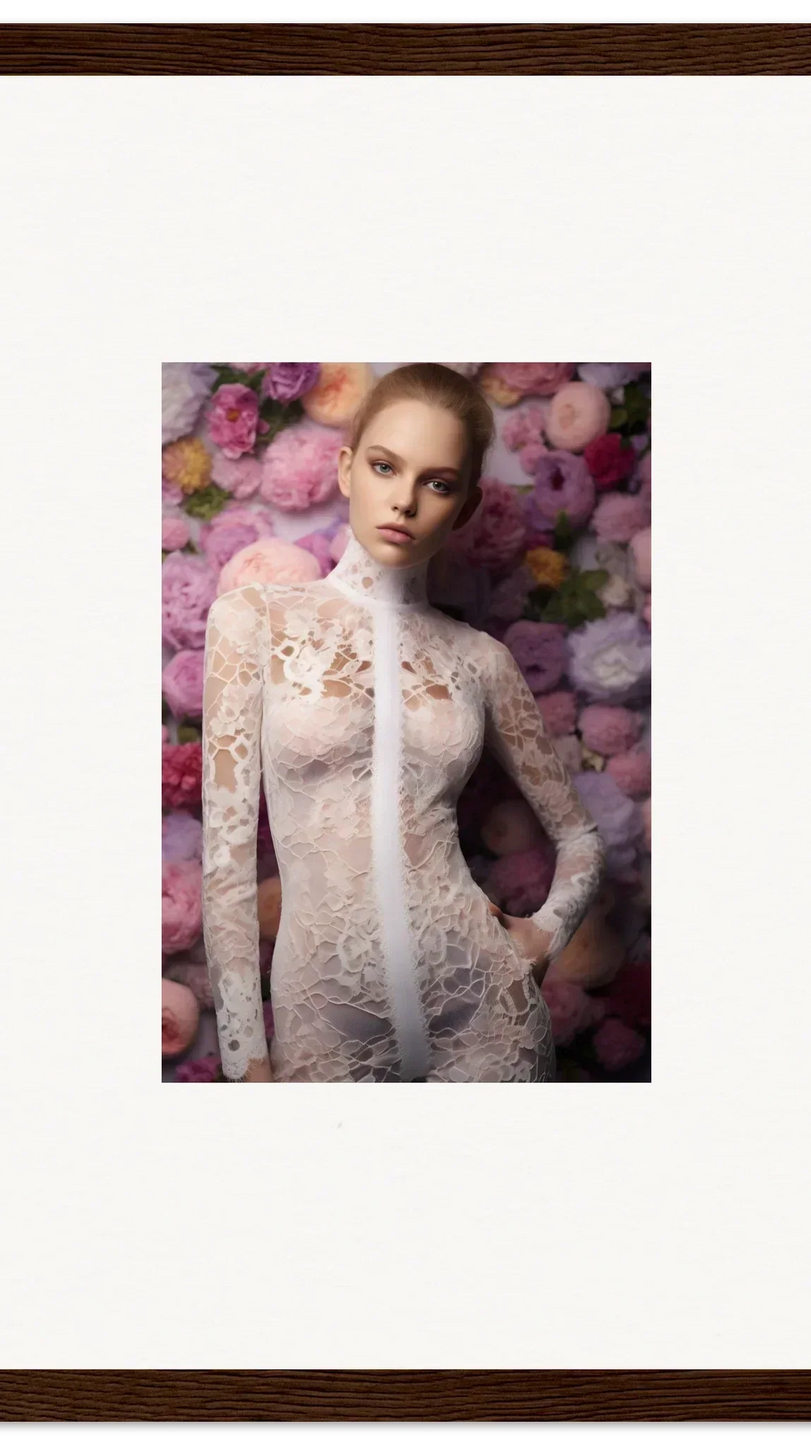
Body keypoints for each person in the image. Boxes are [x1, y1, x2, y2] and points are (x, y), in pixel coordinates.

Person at [200, 363, 606, 1081]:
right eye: (387, 467)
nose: (406, 500)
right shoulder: (255, 621)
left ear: (467, 504)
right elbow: (226, 864)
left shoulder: (481, 660)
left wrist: (543, 935)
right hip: (324, 1018)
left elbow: (579, 835)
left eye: (438, 482)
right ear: (348, 467)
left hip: (485, 1005)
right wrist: (243, 1058)